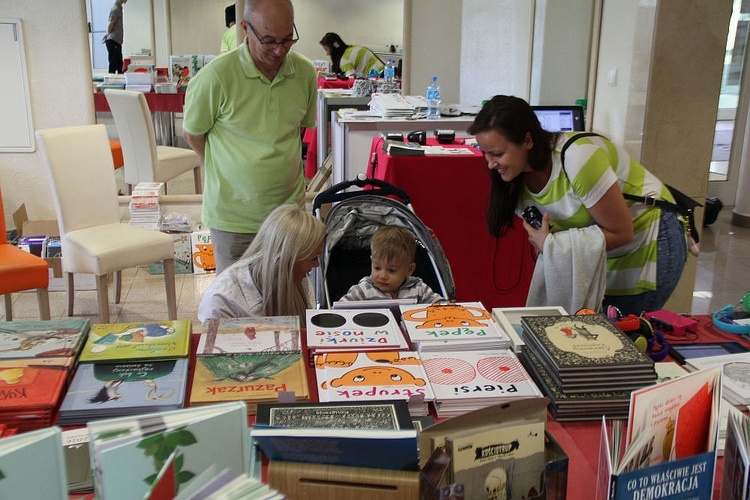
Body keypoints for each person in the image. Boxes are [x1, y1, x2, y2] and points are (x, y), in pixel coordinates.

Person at [467, 95, 687, 315]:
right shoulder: (513, 180)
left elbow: (622, 232)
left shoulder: (578, 156)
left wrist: (552, 244)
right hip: (602, 255)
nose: (490, 163)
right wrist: (550, 244)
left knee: (625, 336)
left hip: (648, 238)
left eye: (497, 154)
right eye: (484, 152)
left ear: (528, 141)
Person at [182, 0, 316, 274]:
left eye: (287, 40)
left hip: (286, 217)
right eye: (268, 41)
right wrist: (231, 166)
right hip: (233, 218)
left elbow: (297, 130)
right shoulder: (216, 77)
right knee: (237, 307)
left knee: (287, 304)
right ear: (244, 29)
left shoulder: (304, 72)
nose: (279, 50)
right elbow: (193, 135)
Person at [197, 204, 325, 324]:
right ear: (286, 260)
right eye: (313, 258)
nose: (317, 264)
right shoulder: (220, 301)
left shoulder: (295, 276)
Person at [339, 225, 444, 303]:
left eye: (392, 270)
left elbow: (442, 307)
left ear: (409, 270)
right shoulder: (362, 291)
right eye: (377, 268)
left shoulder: (419, 289)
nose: (383, 276)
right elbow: (339, 311)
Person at [319, 32, 384, 77]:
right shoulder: (350, 49)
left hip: (379, 76)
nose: (327, 54)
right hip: (383, 73)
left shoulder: (345, 60)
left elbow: (350, 81)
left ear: (334, 48)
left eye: (327, 50)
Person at [102, 0, 128, 74]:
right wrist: (107, 34)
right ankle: (110, 83)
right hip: (113, 40)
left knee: (119, 64)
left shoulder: (119, 7)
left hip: (116, 41)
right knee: (113, 64)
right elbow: (111, 23)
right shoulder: (115, 8)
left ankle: (120, 82)